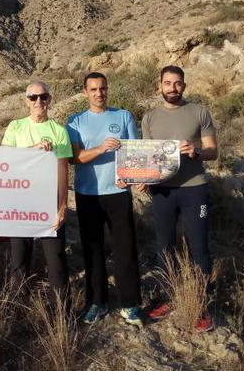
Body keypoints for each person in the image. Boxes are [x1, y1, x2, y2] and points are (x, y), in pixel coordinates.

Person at [138, 65, 219, 333]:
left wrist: (195, 150)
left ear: (184, 85)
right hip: (162, 191)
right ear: (159, 84)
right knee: (164, 246)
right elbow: (149, 157)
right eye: (167, 83)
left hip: (194, 188)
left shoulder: (199, 112)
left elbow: (213, 151)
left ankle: (201, 304)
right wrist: (143, 177)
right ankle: (167, 297)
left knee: (199, 247)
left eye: (177, 83)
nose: (172, 88)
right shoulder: (149, 118)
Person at [66, 72, 143, 326]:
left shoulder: (123, 116)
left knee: (126, 249)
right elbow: (74, 158)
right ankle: (97, 302)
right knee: (93, 250)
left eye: (103, 88)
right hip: (88, 195)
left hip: (118, 193)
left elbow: (137, 153)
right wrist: (101, 148)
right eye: (94, 89)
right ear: (85, 92)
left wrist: (130, 178)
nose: (99, 93)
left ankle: (130, 304)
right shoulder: (75, 121)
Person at [0, 81, 71, 298]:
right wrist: (33, 150)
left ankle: (62, 313)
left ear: (50, 99)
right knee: (19, 259)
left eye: (43, 97)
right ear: (26, 101)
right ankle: (18, 310)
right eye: (33, 97)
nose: (39, 101)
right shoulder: (15, 127)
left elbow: (62, 171)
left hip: (48, 202)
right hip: (20, 202)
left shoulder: (58, 131)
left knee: (56, 260)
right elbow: (4, 160)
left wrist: (62, 206)